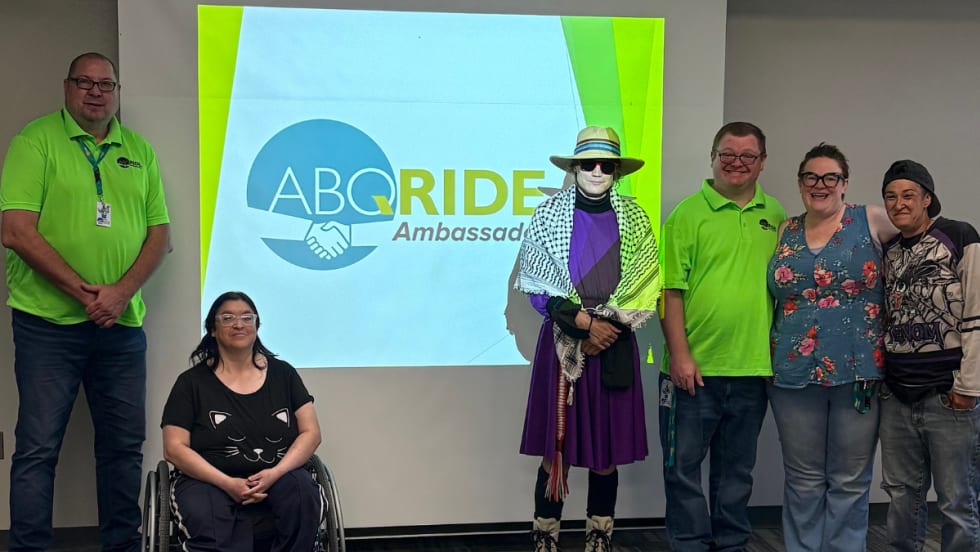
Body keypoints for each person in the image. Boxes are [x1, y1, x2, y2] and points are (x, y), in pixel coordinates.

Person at [0, 52, 171, 551]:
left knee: (123, 449)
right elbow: (15, 231)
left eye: (106, 85)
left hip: (121, 326)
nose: (96, 92)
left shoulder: (138, 150)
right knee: (37, 449)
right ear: (68, 87)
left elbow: (161, 235)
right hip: (46, 324)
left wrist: (120, 294)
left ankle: (121, 546)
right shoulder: (35, 142)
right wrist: (85, 292)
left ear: (117, 92)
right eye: (85, 82)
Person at [515, 126, 661, 551]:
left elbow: (644, 283)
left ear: (617, 170)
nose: (597, 171)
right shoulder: (547, 215)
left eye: (606, 164)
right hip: (562, 344)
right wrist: (582, 324)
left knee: (606, 454)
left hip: (615, 342)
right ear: (575, 167)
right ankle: (546, 539)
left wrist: (606, 328)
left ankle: (600, 538)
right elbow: (538, 285)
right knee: (553, 451)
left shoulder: (634, 217)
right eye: (588, 163)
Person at [659, 121, 786, 551]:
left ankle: (732, 545)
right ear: (712, 156)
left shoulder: (778, 217)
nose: (736, 163)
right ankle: (691, 545)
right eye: (727, 154)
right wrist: (679, 355)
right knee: (682, 471)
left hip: (753, 370)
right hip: (692, 370)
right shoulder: (686, 215)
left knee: (736, 473)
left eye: (747, 156)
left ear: (762, 162)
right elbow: (670, 291)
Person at [766, 143, 897, 551]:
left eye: (830, 178)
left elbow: (921, 234)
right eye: (811, 177)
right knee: (803, 478)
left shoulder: (870, 218)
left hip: (859, 370)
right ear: (800, 182)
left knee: (850, 479)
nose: (820, 185)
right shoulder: (783, 230)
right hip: (792, 372)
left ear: (844, 183)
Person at [161, 291, 323, 551]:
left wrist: (276, 473)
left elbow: (311, 433)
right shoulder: (191, 383)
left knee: (302, 495)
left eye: (247, 317)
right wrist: (227, 483)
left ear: (257, 326)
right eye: (227, 318)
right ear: (212, 329)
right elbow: (174, 447)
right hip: (208, 479)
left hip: (277, 473)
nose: (239, 324)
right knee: (209, 522)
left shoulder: (284, 374)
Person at [879, 160, 980, 552]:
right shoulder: (888, 251)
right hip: (898, 395)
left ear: (927, 198)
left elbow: (975, 314)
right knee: (903, 497)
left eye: (908, 195)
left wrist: (969, 385)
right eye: (890, 196)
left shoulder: (959, 236)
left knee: (958, 500)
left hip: (948, 396)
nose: (899, 203)